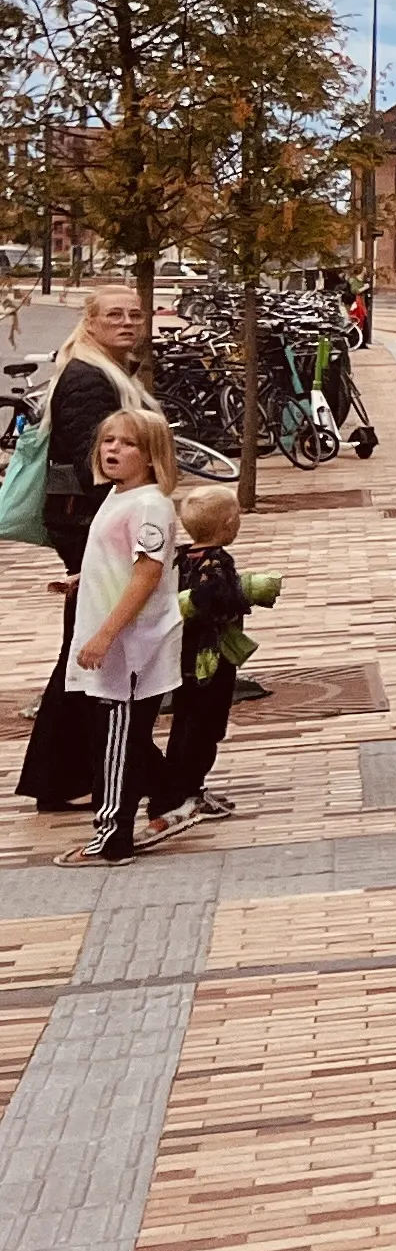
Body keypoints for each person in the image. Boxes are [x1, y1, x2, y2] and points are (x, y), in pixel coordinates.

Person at [17, 285, 158, 813]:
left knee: (94, 645)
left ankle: (73, 774)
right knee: (94, 645)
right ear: (92, 322)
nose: (127, 322)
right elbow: (92, 458)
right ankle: (74, 775)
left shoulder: (108, 369)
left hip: (95, 521)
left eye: (134, 314)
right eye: (114, 315)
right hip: (90, 525)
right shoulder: (86, 377)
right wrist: (128, 517)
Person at [64, 409, 181, 863]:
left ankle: (112, 836)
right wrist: (82, 579)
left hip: (129, 650)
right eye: (108, 440)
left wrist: (104, 636)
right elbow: (121, 563)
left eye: (127, 443)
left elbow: (147, 574)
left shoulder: (149, 505)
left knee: (116, 744)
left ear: (152, 456)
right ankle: (171, 797)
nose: (112, 449)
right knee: (113, 738)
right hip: (114, 646)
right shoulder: (118, 497)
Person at [152, 484, 270, 837]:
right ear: (229, 524)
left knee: (185, 722)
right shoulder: (217, 562)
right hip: (211, 659)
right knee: (205, 728)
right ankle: (188, 791)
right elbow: (212, 601)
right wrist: (245, 594)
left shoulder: (179, 557)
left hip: (181, 658)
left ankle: (179, 787)